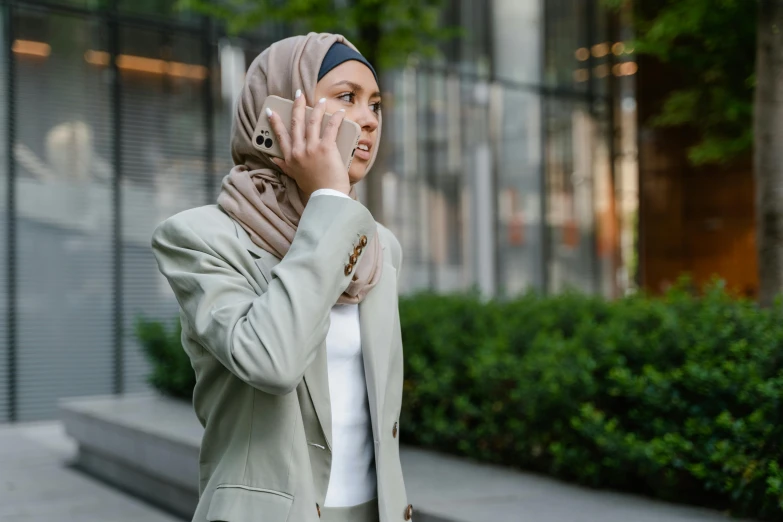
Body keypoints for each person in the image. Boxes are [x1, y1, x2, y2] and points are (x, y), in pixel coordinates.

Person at [151, 33, 412, 522]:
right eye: (346, 97)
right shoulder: (198, 237)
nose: (371, 119)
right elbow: (271, 360)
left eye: (375, 104)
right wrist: (329, 201)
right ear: (280, 111)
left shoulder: (378, 245)